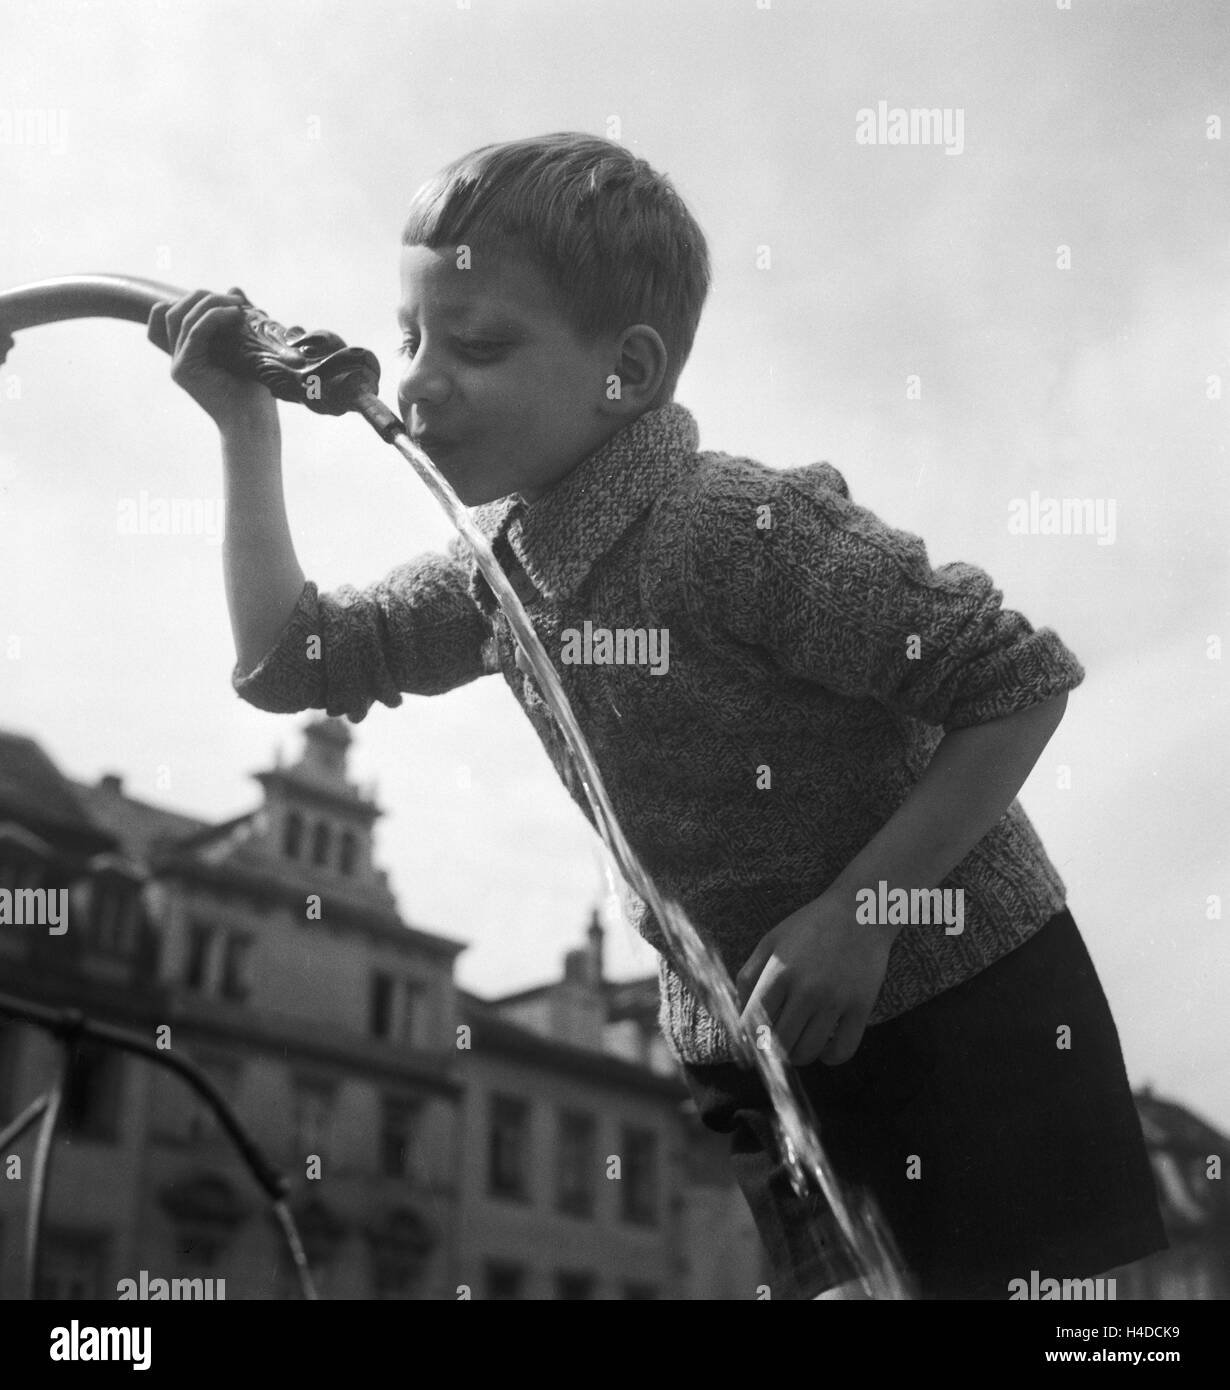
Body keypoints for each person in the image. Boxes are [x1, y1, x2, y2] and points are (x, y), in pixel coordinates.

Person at [148, 131, 1165, 1300]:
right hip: (756, 1045)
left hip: (966, 998)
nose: (420, 379)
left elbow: (1019, 680)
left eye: (476, 345)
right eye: (412, 336)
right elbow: (294, 662)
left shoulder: (729, 527)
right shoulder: (497, 578)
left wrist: (864, 910)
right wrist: (243, 426)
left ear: (624, 370)